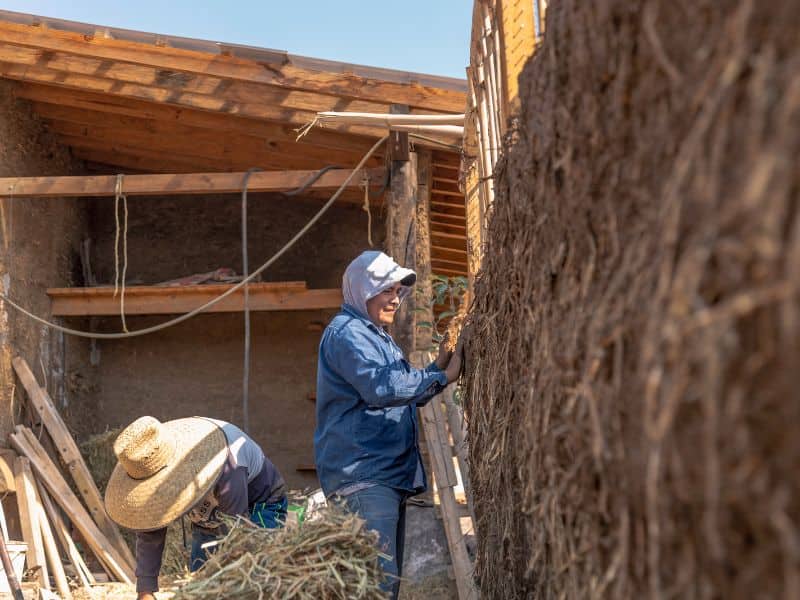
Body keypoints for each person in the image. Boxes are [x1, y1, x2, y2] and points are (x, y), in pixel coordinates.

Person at [314, 250, 463, 599]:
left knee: (383, 585)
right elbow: (383, 388)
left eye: (398, 292)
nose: (395, 300)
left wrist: (436, 368)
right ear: (362, 290)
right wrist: (442, 377)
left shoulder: (377, 337)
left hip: (383, 475)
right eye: (386, 291)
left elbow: (404, 387)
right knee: (375, 586)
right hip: (363, 476)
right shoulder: (348, 334)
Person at [103, 415, 287, 600]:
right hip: (206, 518)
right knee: (200, 587)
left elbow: (237, 536)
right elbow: (150, 532)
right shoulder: (150, 465)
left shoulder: (228, 465)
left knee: (253, 579)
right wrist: (145, 589)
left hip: (258, 505)